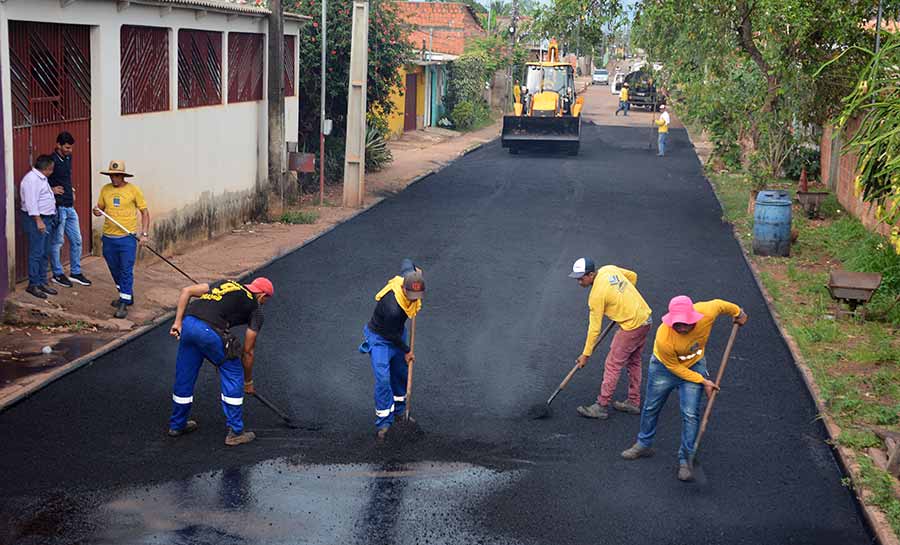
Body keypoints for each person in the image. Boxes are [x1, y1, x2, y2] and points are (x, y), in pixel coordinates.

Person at [621, 295, 748, 482]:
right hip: (664, 368)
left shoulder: (706, 311)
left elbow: (721, 305)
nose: (680, 327)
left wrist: (738, 312)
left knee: (690, 413)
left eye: (685, 323)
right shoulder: (664, 336)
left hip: (694, 363)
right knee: (651, 407)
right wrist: (703, 381)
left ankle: (685, 459)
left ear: (693, 317)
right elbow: (675, 368)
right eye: (677, 324)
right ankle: (643, 444)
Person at [167, 277, 274, 446]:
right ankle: (236, 432)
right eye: (266, 300)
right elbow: (248, 350)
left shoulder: (226, 283)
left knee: (185, 376)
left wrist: (177, 323)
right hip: (208, 331)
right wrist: (248, 381)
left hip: (188, 324)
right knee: (233, 370)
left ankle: (177, 425)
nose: (264, 304)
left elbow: (186, 291)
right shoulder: (256, 310)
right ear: (262, 296)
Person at [569, 258, 653, 421]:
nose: (579, 281)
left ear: (591, 274)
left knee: (613, 364)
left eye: (581, 278)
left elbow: (594, 329)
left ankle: (601, 405)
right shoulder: (609, 268)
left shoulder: (596, 296)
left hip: (632, 327)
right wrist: (622, 301)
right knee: (634, 361)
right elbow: (633, 276)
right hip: (646, 320)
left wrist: (586, 355)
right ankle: (633, 401)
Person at [359, 259, 425, 442]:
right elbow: (391, 335)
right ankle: (384, 424)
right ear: (404, 290)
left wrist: (415, 271)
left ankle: (400, 412)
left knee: (400, 373)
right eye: (411, 296)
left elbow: (406, 262)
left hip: (396, 332)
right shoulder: (392, 308)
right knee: (383, 379)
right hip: (381, 337)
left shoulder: (407, 278)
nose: (414, 299)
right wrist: (407, 350)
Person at [93, 160, 150, 319]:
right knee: (114, 269)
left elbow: (145, 212)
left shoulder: (133, 190)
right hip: (109, 237)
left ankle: (124, 303)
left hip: (127, 238)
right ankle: (126, 294)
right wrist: (96, 211)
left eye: (117, 176)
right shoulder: (105, 190)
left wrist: (144, 234)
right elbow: (100, 209)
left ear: (123, 175)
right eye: (111, 175)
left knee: (126, 270)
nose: (114, 179)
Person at [49, 131, 91, 288]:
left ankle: (75, 272)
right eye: (66, 147)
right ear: (58, 145)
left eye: (71, 148)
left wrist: (71, 190)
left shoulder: (68, 157)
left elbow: (67, 177)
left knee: (77, 240)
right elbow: (40, 181)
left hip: (69, 206)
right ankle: (57, 274)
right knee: (57, 241)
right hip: (58, 207)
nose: (69, 150)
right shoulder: (51, 161)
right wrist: (51, 190)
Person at [19, 155, 59, 299]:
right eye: (51, 169)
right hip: (37, 219)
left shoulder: (41, 179)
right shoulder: (31, 180)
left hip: (47, 219)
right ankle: (33, 284)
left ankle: (42, 281)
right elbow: (31, 203)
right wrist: (38, 221)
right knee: (36, 252)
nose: (52, 171)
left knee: (44, 251)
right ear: (47, 168)